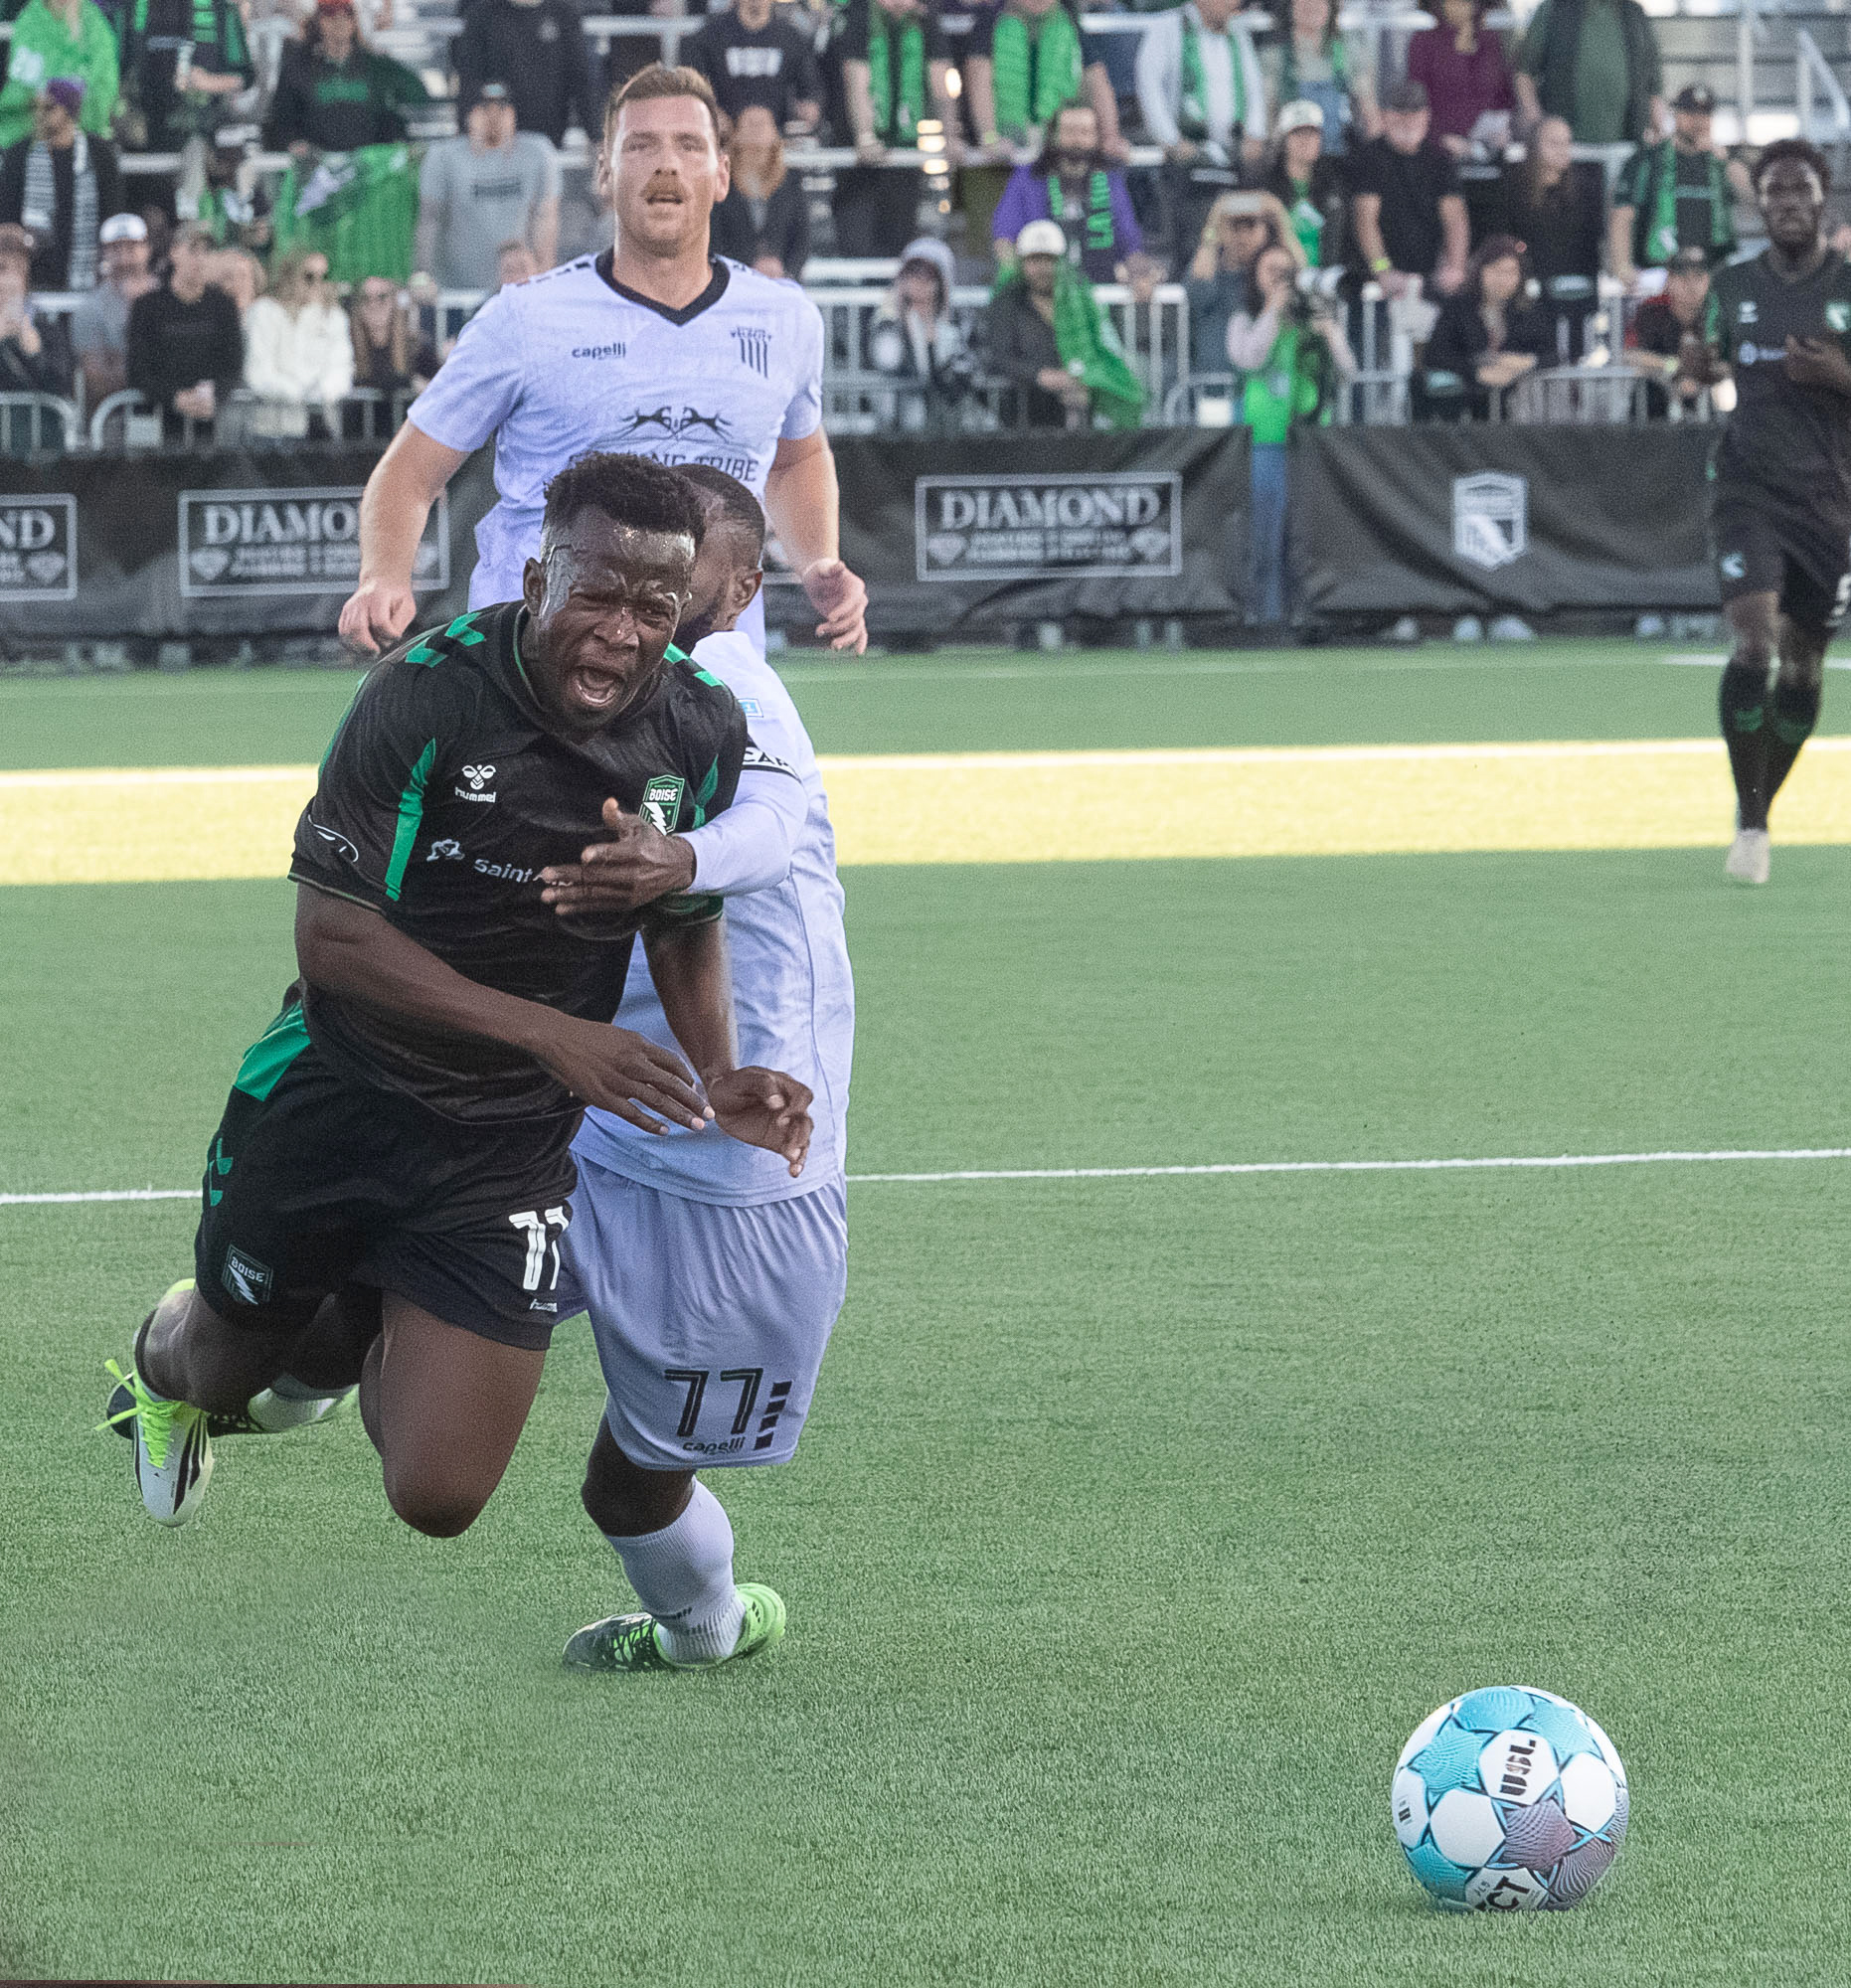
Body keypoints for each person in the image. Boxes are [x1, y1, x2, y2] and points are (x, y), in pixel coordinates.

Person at [102, 451, 814, 1538]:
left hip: (504, 1144)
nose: (623, 632)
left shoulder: (700, 725)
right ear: (537, 579)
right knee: (219, 1362)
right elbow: (334, 937)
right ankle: (162, 1365)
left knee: (438, 1494)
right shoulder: (425, 692)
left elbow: (681, 919)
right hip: (337, 1093)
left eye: (654, 608)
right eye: (597, 595)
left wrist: (719, 1072)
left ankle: (378, 1295)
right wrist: (554, 1034)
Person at [543, 465, 852, 1676]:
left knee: (627, 1479)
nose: (655, 585)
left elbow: (764, 836)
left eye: (688, 562)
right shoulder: (588, 691)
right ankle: (218, 1373)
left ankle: (702, 1626)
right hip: (594, 1103)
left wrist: (674, 859)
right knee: (391, 1278)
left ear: (737, 583)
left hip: (725, 1162)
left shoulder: (730, 679)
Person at [340, 65, 868, 661]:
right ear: (604, 171)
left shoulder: (785, 318)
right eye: (640, 145)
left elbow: (797, 460)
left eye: (689, 145)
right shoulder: (524, 317)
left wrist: (820, 559)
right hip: (538, 669)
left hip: (714, 676)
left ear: (722, 174)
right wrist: (382, 575)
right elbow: (409, 471)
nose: (665, 163)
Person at [1678, 142, 1851, 885]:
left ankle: (1758, 810)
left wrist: (1841, 374)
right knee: (1754, 645)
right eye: (1773, 192)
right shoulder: (1732, 283)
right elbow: (1704, 360)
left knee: (1804, 669)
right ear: (1758, 203)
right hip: (1747, 488)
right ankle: (1750, 822)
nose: (1785, 202)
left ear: (1823, 200)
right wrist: (1697, 367)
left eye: (1799, 190)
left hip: (1831, 502)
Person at [1226, 238, 1353, 623]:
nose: (1281, 280)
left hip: (1311, 443)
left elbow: (1348, 373)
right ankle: (1264, 615)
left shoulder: (1312, 321)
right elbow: (1248, 358)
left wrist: (1329, 331)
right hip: (1264, 441)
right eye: (1272, 272)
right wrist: (1272, 312)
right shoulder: (1244, 318)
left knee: (1310, 534)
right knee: (1265, 532)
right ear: (1256, 277)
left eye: (1288, 273)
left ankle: (1309, 612)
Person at [984, 217, 1143, 428]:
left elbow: (1102, 352)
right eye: (1034, 260)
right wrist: (1041, 376)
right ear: (1022, 263)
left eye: (1049, 260)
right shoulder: (1008, 302)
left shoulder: (1081, 302)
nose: (1043, 268)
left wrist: (1086, 381)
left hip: (1076, 418)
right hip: (1022, 417)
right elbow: (998, 357)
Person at [1134, 0, 1267, 252]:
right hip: (1187, 155)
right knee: (1189, 234)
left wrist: (1255, 133)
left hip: (1233, 153)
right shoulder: (1168, 28)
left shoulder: (1237, 33)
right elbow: (1149, 86)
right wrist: (1171, 140)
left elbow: (1253, 87)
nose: (1234, 5)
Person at [835, 0, 959, 259]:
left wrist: (951, 135)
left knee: (898, 240)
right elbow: (856, 79)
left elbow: (941, 79)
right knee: (856, 240)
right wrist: (865, 136)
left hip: (905, 149)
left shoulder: (925, 19)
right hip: (858, 158)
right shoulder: (859, 16)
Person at [417, 80, 562, 293]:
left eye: (501, 108)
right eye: (485, 108)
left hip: (519, 288)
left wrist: (542, 281)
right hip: (459, 290)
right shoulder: (442, 156)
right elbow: (429, 220)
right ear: (470, 113)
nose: (493, 117)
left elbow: (546, 219)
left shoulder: (538, 152)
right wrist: (422, 276)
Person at [991, 100, 1153, 291]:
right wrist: (1019, 283)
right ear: (1053, 136)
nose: (1077, 140)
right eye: (1069, 131)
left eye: (1085, 132)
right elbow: (1005, 240)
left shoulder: (1110, 180)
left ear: (1097, 137)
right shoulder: (1029, 178)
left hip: (1099, 293)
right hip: (1042, 296)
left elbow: (1130, 246)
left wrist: (1142, 274)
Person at [1609, 83, 1748, 291]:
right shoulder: (1648, 159)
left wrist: (1725, 161)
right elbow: (1622, 214)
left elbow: (1752, 195)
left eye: (1705, 114)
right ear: (1675, 115)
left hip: (1712, 274)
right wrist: (1622, 266)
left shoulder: (1722, 162)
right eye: (1690, 113)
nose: (1698, 121)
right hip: (1660, 273)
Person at [1347, 79, 1468, 300]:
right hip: (1380, 281)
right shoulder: (1369, 159)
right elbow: (1365, 221)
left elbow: (1455, 220)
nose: (1407, 120)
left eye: (1414, 113)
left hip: (1430, 277)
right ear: (1385, 116)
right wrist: (1383, 270)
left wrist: (1454, 267)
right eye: (1400, 113)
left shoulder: (1440, 160)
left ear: (1426, 116)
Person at [0, 77, 121, 291]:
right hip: (32, 278)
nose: (39, 114)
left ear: (68, 110)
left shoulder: (100, 155)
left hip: (88, 274)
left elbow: (111, 214)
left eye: (48, 107)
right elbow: (8, 218)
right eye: (36, 108)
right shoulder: (18, 155)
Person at [125, 221, 243, 433]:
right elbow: (137, 369)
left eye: (206, 251)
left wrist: (215, 393)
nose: (200, 259)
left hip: (211, 423)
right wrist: (175, 398)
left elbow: (233, 364)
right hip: (158, 422)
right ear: (174, 253)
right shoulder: (147, 307)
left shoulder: (224, 306)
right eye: (193, 250)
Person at [1501, 112, 1602, 358]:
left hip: (1576, 295)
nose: (1562, 150)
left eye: (1566, 143)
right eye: (1553, 143)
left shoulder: (1585, 191)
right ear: (1534, 146)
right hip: (1529, 297)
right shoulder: (1514, 190)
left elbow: (1593, 243)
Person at [265, 0, 426, 154]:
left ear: (354, 21)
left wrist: (385, 64)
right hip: (318, 168)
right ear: (319, 22)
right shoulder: (297, 68)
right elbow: (282, 120)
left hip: (369, 165)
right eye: (330, 16)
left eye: (346, 15)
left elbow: (417, 94)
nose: (339, 22)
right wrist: (294, 143)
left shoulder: (375, 66)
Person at [1420, 232, 1547, 418]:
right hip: (1467, 408)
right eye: (1496, 270)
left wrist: (1524, 363)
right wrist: (1477, 372)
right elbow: (1436, 354)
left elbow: (1553, 352)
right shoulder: (1459, 307)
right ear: (1481, 271)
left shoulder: (1528, 310)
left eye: (1511, 272)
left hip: (1519, 408)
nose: (1503, 279)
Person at [453, 0, 600, 151]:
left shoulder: (564, 12)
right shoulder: (481, 14)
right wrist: (470, 129)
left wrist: (596, 135)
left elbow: (581, 80)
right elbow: (469, 81)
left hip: (549, 139)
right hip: (495, 143)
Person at [1513, 0, 1663, 148]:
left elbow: (1653, 75)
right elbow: (1524, 73)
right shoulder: (1553, 10)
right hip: (1566, 149)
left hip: (1627, 145)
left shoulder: (1634, 13)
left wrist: (1656, 119)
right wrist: (1538, 123)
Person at [242, 244, 353, 438]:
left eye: (324, 277)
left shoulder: (334, 317)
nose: (318, 284)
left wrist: (322, 395)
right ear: (291, 274)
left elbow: (342, 367)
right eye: (309, 276)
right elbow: (258, 373)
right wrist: (299, 394)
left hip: (320, 429)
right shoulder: (264, 312)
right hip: (270, 430)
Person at [865, 232, 972, 426]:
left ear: (942, 281)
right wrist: (905, 325)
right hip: (900, 427)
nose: (918, 282)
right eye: (911, 273)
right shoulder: (888, 319)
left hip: (949, 425)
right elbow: (888, 360)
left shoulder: (958, 321)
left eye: (928, 275)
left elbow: (964, 373)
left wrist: (935, 338)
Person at [116, 0, 252, 153]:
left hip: (201, 135)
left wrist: (209, 82)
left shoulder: (220, 8)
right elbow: (114, 69)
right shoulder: (133, 6)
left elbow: (245, 77)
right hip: (139, 136)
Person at [1184, 185, 1295, 370]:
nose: (1242, 235)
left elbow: (1299, 272)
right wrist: (1215, 219)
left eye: (1251, 225)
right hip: (1217, 382)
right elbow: (1197, 293)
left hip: (1265, 384)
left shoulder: (1273, 266)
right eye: (1235, 225)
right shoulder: (1212, 266)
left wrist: (1278, 214)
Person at [680, 0, 821, 135]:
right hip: (724, 137)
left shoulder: (791, 39)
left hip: (775, 137)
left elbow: (809, 93)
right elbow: (693, 85)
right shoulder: (709, 36)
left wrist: (807, 110)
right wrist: (711, 112)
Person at [1258, 0, 1376, 158]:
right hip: (1293, 163)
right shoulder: (1273, 56)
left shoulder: (1349, 50)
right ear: (1290, 6)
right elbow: (1267, 116)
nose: (1311, 5)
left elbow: (1369, 111)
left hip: (1340, 158)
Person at [0, 0, 117, 153]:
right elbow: (18, 85)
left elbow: (104, 87)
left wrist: (68, 111)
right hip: (31, 140)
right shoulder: (30, 20)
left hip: (83, 142)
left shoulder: (95, 25)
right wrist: (44, 105)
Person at [710, 102, 808, 279]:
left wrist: (786, 270)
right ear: (736, 133)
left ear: (775, 133)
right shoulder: (721, 180)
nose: (757, 129)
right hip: (733, 279)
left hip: (782, 278)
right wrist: (746, 266)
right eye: (750, 123)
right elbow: (715, 234)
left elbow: (802, 234)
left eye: (763, 123)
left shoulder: (791, 180)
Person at [1404, 0, 1513, 157]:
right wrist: (1440, 138)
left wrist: (1503, 127)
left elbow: (1504, 93)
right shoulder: (1423, 41)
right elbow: (1416, 98)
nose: (1461, 6)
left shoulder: (1490, 40)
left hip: (1488, 146)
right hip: (1439, 148)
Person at [72, 210, 152, 405]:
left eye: (132, 248)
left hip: (174, 419)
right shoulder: (90, 309)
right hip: (115, 417)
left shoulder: (169, 298)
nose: (124, 259)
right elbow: (97, 381)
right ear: (104, 253)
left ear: (147, 249)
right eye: (116, 249)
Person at [1623, 242, 1708, 414]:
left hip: (1708, 394)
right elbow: (1631, 354)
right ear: (1669, 280)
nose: (1691, 286)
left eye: (1698, 277)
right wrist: (1673, 367)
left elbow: (1730, 355)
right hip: (1656, 401)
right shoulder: (1652, 309)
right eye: (1683, 278)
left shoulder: (1718, 311)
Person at [1261, 97, 1344, 268]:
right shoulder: (1266, 184)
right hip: (1281, 274)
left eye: (1312, 133)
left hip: (1327, 275)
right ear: (1284, 140)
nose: (1306, 141)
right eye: (1298, 133)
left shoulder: (1334, 183)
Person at [0, 219, 71, 395]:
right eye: (2, 267)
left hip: (31, 421)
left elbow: (61, 386)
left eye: (20, 265)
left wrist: (35, 354)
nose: (12, 276)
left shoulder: (46, 322)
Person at [348, 272, 436, 397]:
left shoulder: (415, 347)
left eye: (382, 297)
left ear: (393, 301)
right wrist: (409, 382)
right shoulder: (348, 346)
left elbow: (441, 386)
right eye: (366, 298)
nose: (374, 306)